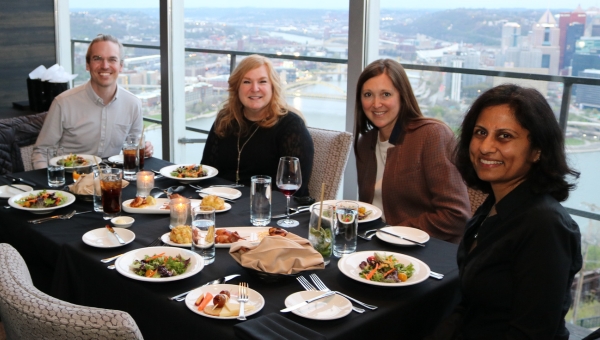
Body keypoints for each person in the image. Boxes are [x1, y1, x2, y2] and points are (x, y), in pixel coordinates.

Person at [428, 84, 582, 339]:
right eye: (480, 132)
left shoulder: (545, 227)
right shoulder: (494, 205)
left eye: (504, 136)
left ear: (537, 150)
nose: (485, 147)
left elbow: (531, 333)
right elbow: (470, 306)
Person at [354, 59, 470, 243]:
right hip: (375, 245)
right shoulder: (365, 142)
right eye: (368, 94)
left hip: (421, 251)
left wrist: (392, 232)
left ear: (402, 95)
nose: (376, 104)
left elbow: (456, 216)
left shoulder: (432, 135)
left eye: (385, 94)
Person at [32, 34, 153, 169]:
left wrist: (145, 150)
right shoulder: (63, 103)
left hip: (110, 181)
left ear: (121, 66)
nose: (105, 66)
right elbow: (42, 152)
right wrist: (48, 184)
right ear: (88, 65)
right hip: (69, 181)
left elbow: (134, 147)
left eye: (112, 59)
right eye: (97, 59)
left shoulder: (133, 104)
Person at [201, 54, 314, 197]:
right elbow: (206, 171)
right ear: (237, 87)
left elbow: (295, 189)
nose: (255, 89)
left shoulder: (291, 126)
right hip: (221, 204)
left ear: (273, 86)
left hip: (268, 209)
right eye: (247, 82)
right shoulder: (225, 119)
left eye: (262, 82)